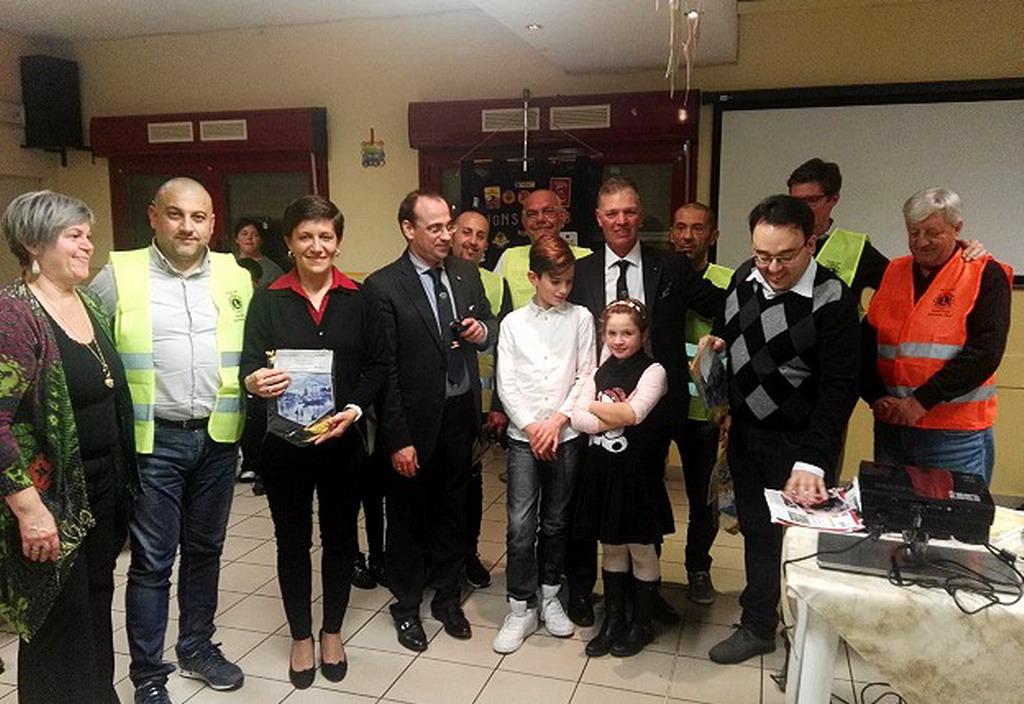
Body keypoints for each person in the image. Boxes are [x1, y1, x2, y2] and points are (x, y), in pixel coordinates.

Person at [91, 177, 252, 704]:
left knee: (205, 551)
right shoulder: (118, 275)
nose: (187, 227)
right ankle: (147, 674)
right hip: (151, 443)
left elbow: (254, 350)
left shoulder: (235, 275)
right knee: (153, 562)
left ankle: (197, 647)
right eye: (176, 214)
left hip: (218, 438)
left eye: (198, 217)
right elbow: (85, 347)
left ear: (212, 223)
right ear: (153, 216)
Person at [704, 194, 860, 665]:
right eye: (762, 255)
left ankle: (808, 636)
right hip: (746, 434)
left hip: (800, 444)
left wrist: (814, 458)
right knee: (758, 532)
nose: (772, 268)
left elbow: (840, 388)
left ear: (811, 244)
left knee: (804, 541)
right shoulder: (742, 277)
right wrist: (717, 353)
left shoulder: (832, 299)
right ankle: (758, 625)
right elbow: (727, 331)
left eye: (785, 257)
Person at [240, 195, 388, 688]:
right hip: (285, 445)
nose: (316, 245)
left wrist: (355, 408)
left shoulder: (359, 299)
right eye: (306, 236)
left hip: (342, 441)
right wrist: (254, 381)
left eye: (326, 236)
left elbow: (377, 366)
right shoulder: (268, 299)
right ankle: (301, 635)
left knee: (342, 540)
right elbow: (248, 365)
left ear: (338, 242)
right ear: (289, 242)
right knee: (292, 542)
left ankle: (332, 631)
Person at [0, 191, 139, 703]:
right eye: (73, 235)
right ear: (34, 243)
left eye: (88, 235)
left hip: (98, 487)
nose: (87, 245)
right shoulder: (14, 314)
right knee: (58, 621)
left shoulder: (89, 303)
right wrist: (29, 510)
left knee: (95, 604)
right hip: (49, 498)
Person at [567, 177, 724, 627]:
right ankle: (590, 592)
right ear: (599, 220)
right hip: (600, 406)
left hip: (659, 408)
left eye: (630, 211)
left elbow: (722, 304)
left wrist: (724, 334)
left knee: (646, 502)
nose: (621, 221)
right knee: (597, 499)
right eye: (612, 213)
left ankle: (646, 597)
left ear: (640, 215)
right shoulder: (581, 271)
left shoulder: (671, 266)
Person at [364, 190, 497, 653]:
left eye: (449, 226)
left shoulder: (465, 273)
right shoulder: (383, 287)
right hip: (412, 424)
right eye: (435, 228)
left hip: (460, 416)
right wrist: (397, 438)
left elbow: (489, 322)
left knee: (452, 512)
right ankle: (406, 606)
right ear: (408, 229)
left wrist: (482, 331)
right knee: (407, 517)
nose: (447, 236)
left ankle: (446, 597)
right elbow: (385, 372)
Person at [861, 188, 1012, 485]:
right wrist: (876, 396)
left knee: (954, 515)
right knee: (891, 511)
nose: (921, 242)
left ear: (957, 229)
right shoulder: (893, 271)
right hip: (893, 427)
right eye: (913, 232)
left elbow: (985, 353)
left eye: (933, 232)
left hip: (954, 435)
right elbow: (867, 342)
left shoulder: (984, 273)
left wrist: (920, 402)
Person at [492, 235, 594, 654]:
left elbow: (586, 374)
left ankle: (550, 595)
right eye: (555, 281)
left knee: (556, 522)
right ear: (534, 278)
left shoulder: (581, 318)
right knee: (520, 525)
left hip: (566, 436)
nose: (564, 289)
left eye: (569, 281)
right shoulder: (513, 324)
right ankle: (520, 606)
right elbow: (506, 384)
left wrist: (557, 421)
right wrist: (534, 427)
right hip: (523, 439)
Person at [571, 299, 672, 658]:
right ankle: (613, 619)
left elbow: (634, 413)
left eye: (627, 333)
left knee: (641, 549)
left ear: (643, 334)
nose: (618, 340)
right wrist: (612, 413)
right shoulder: (599, 371)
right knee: (612, 546)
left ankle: (641, 623)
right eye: (612, 333)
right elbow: (576, 419)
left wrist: (592, 407)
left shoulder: (654, 371)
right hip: (602, 475)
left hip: (637, 477)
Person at [667, 202, 733, 605]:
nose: (687, 236)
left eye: (697, 228)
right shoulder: (659, 276)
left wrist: (730, 409)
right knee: (644, 493)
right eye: (680, 228)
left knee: (703, 500)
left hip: (705, 413)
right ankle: (645, 571)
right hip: (659, 405)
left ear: (713, 235)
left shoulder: (729, 282)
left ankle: (698, 568)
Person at [450, 210, 512, 589]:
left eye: (480, 236)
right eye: (466, 232)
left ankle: (468, 554)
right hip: (442, 401)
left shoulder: (494, 283)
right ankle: (438, 557)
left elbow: (504, 343)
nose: (472, 241)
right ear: (451, 234)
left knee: (472, 486)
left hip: (479, 403)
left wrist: (498, 405)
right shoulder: (433, 275)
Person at [786, 158, 889, 301]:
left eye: (812, 200)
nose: (803, 208)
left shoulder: (856, 250)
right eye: (796, 201)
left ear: (833, 199)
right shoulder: (776, 245)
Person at [493, 188, 591, 309]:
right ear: (524, 221)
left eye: (548, 212)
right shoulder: (509, 257)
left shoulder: (586, 257)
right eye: (532, 214)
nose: (540, 219)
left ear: (563, 217)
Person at [234, 218, 284, 287]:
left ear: (261, 240)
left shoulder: (273, 271)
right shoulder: (228, 264)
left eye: (255, 235)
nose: (249, 237)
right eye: (244, 234)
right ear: (236, 239)